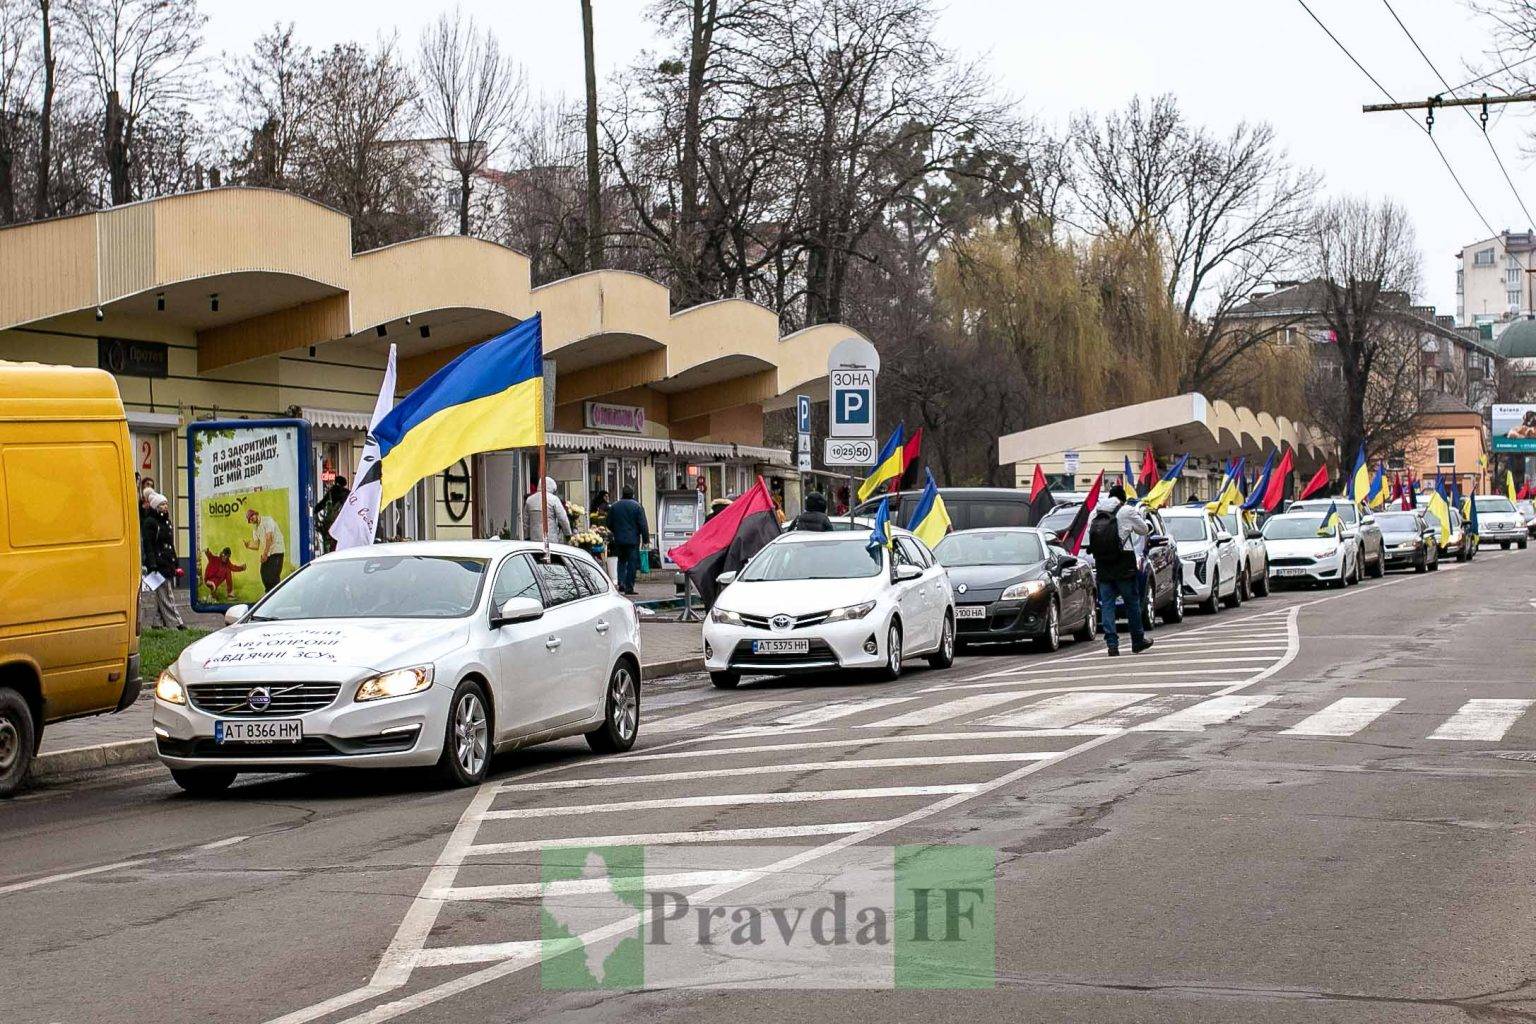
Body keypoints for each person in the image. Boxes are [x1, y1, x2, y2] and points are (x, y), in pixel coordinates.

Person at [1087, 484, 1152, 657]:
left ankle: (1112, 644)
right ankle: (1137, 640)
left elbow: (1089, 534)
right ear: (1122, 498)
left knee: (1107, 604)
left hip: (1102, 563)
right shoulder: (1126, 510)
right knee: (1132, 602)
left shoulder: (1095, 513)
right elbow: (1144, 530)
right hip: (1124, 561)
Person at [142, 493, 185, 629]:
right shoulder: (150, 522)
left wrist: (176, 562)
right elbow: (148, 545)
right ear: (155, 507)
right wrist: (153, 564)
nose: (165, 507)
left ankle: (157, 623)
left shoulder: (167, 522)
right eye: (161, 505)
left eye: (166, 504)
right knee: (166, 594)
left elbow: (170, 544)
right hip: (157, 565)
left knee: (160, 595)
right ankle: (176, 623)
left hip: (167, 562)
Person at [605, 486, 650, 595]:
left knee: (621, 561)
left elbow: (608, 523)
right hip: (633, 540)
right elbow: (643, 524)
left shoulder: (614, 506)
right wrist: (645, 539)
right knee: (632, 563)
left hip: (619, 539)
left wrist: (616, 531)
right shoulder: (637, 507)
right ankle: (629, 586)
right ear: (632, 494)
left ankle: (621, 582)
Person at [244, 507, 286, 593]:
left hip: (277, 550)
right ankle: (269, 594)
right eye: (249, 519)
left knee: (273, 576)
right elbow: (256, 546)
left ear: (256, 514)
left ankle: (277, 595)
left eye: (251, 516)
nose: (251, 519)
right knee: (263, 573)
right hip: (268, 553)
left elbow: (269, 538)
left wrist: (265, 555)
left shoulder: (267, 520)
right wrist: (248, 546)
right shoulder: (255, 530)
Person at [524, 476, 572, 545]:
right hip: (551, 539)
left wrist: (527, 536)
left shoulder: (530, 500)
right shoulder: (554, 499)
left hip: (534, 539)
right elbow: (563, 518)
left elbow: (526, 522)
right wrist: (568, 534)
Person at [312, 475, 350, 554]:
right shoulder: (348, 493)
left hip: (332, 522)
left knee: (331, 541)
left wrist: (315, 511)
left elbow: (322, 504)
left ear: (336, 482)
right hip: (344, 522)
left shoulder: (332, 492)